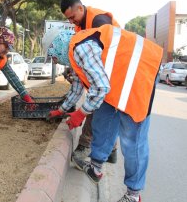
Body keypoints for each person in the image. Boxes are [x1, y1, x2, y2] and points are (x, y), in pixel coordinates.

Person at [47, 26, 162, 202]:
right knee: (102, 118)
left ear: (57, 45)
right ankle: (96, 167)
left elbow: (100, 87)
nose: (56, 62)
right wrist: (61, 110)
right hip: (118, 78)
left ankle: (133, 194)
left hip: (140, 70)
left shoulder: (80, 48)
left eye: (53, 57)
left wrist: (81, 113)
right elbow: (78, 87)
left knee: (132, 138)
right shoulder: (75, 53)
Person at [60, 0, 119, 163]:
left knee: (97, 102)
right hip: (107, 70)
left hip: (115, 68)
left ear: (80, 8)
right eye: (68, 19)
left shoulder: (99, 21)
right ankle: (112, 151)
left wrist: (81, 112)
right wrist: (63, 108)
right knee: (105, 108)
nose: (71, 22)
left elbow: (99, 80)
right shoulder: (81, 26)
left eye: (72, 17)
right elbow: (80, 78)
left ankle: (85, 145)